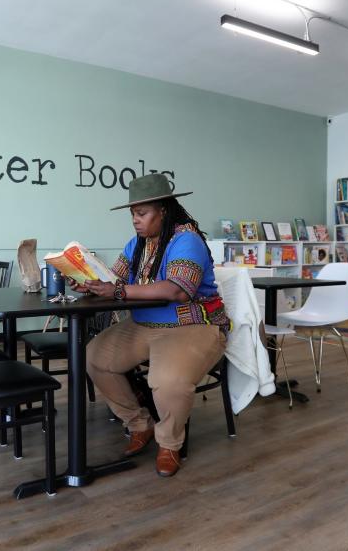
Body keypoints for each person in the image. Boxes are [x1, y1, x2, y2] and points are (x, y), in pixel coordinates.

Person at [70, 173, 229, 477]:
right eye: (133, 214)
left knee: (167, 380)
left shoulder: (187, 239)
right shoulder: (136, 244)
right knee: (93, 357)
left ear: (164, 211)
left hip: (193, 325)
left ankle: (169, 443)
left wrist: (116, 291)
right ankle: (139, 423)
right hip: (144, 325)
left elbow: (177, 290)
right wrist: (87, 283)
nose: (135, 220)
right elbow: (113, 280)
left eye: (141, 213)